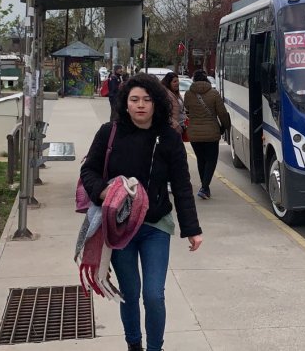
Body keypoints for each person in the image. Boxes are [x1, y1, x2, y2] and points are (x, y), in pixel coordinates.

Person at [80, 73, 203, 351]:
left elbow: (182, 185)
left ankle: (155, 348)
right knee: (131, 293)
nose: (140, 105)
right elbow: (88, 169)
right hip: (120, 228)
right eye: (134, 99)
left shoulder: (169, 138)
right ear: (125, 103)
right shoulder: (108, 133)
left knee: (153, 295)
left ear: (156, 103)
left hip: (155, 227)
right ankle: (133, 344)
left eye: (147, 99)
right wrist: (103, 192)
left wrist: (192, 228)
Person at [183, 70, 230, 200]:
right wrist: (225, 126)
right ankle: (204, 187)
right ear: (206, 80)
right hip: (211, 133)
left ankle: (205, 188)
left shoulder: (188, 94)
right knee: (211, 160)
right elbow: (222, 113)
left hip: (194, 133)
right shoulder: (214, 94)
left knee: (201, 159)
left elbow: (187, 108)